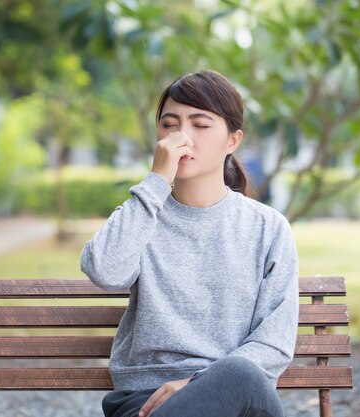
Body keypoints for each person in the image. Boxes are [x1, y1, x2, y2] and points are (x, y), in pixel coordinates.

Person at [80, 70, 299, 417]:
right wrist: (156, 182)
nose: (181, 136)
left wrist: (199, 381)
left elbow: (273, 343)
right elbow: (105, 271)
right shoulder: (142, 214)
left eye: (200, 124)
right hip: (144, 403)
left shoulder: (267, 228)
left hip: (237, 399)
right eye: (170, 124)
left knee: (241, 374)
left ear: (232, 140)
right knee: (239, 376)